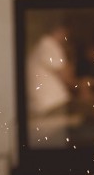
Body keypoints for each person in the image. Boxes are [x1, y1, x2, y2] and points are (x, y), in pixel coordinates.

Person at [25, 21, 77, 149]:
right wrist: (70, 54)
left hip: (47, 105)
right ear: (60, 31)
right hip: (53, 105)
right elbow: (68, 78)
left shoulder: (42, 46)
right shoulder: (49, 45)